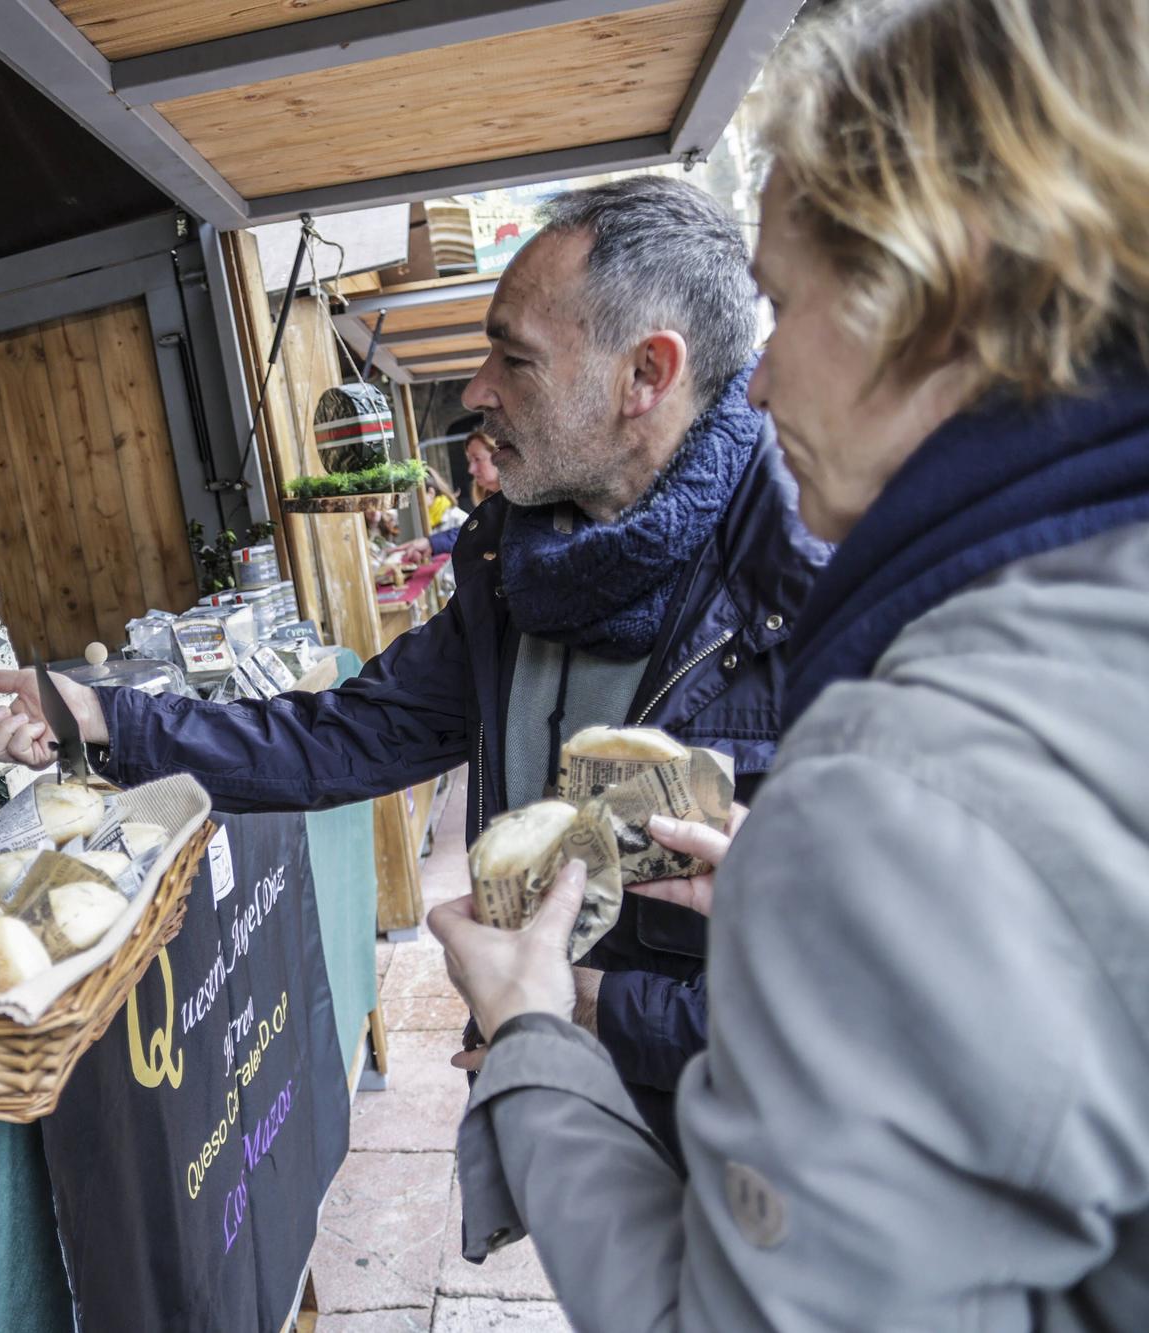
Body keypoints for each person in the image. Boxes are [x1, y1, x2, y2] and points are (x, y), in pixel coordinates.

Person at [430, 0, 1149, 1324]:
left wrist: (536, 1031)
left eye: (782, 303)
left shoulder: (907, 779)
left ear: (939, 288)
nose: (754, 386)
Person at [0, 175, 830, 1147]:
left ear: (645, 376)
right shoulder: (516, 564)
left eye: (515, 357)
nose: (474, 392)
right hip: (575, 1120)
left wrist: (584, 1014)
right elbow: (344, 737)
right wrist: (100, 718)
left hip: (766, 1158)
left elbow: (899, 994)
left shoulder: (816, 582)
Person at [396, 422, 501, 565]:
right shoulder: (493, 505)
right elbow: (476, 534)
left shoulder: (518, 502)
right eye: (470, 461)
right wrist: (430, 543)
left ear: (500, 455)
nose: (470, 469)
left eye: (477, 459)